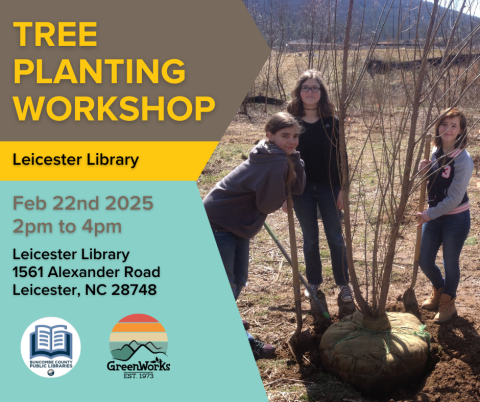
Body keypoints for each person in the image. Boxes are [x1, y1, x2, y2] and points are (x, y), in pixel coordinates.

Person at [203, 112, 306, 359]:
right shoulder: (274, 160)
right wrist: (282, 189)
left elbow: (298, 188)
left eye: (295, 136)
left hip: (232, 221)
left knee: (237, 280)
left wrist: (295, 158)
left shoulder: (277, 155)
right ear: (269, 135)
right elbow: (267, 204)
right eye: (285, 136)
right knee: (228, 283)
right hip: (219, 222)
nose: (291, 141)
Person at [286, 69, 353, 306]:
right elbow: (278, 156)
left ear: (322, 93)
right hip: (300, 189)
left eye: (315, 88)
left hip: (328, 187)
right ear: (299, 92)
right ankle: (313, 281)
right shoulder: (289, 121)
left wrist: (343, 189)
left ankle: (344, 283)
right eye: (306, 88)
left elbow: (342, 157)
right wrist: (285, 194)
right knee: (310, 238)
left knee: (335, 237)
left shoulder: (332, 122)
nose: (311, 92)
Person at [417, 107, 473, 323]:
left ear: (460, 131)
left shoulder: (463, 160)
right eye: (444, 124)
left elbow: (454, 199)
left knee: (450, 262)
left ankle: (448, 303)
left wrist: (428, 214)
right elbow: (434, 181)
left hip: (455, 219)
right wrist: (425, 170)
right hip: (434, 215)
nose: (448, 129)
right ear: (437, 125)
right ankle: (440, 289)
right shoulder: (434, 152)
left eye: (454, 125)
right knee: (424, 260)